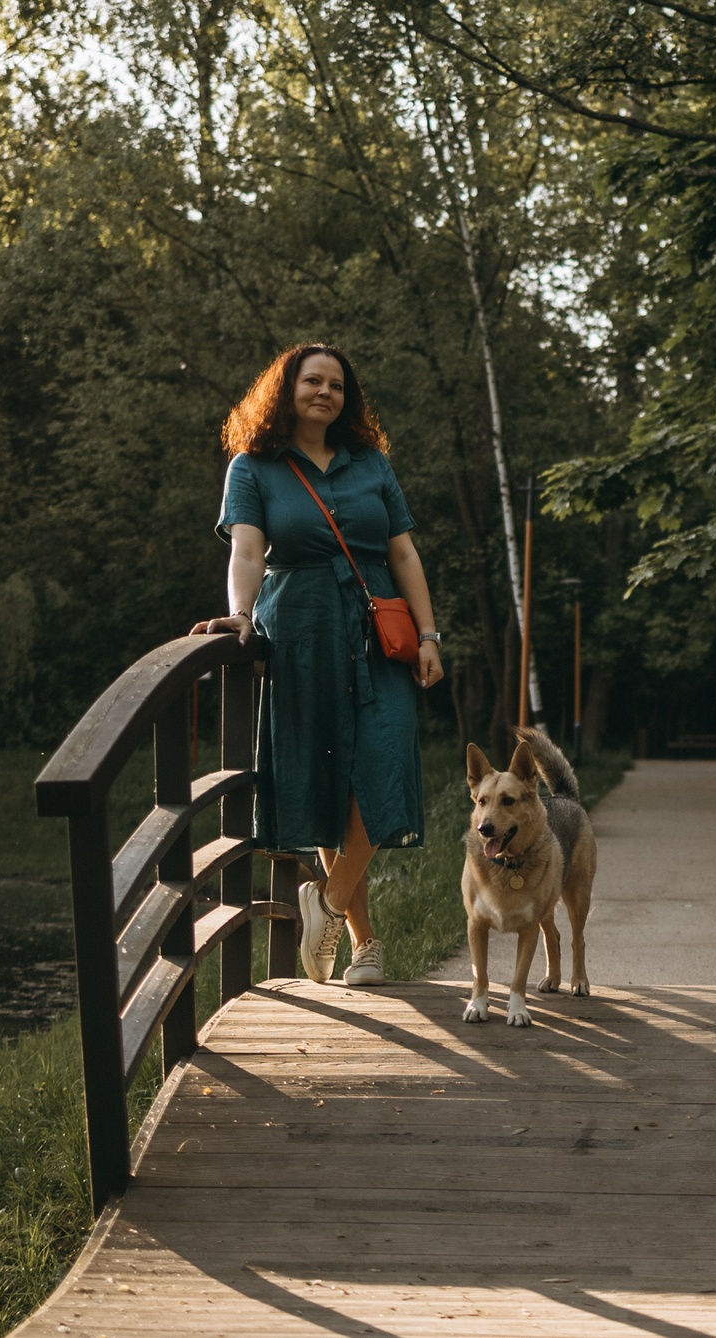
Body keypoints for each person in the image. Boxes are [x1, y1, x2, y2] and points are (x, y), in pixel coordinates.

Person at [192, 343, 445, 987]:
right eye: (312, 381)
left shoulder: (372, 466)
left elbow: (405, 554)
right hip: (300, 631)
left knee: (381, 769)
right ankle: (365, 945)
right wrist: (241, 616)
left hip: (374, 631)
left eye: (336, 384)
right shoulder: (254, 467)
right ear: (287, 389)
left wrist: (430, 635)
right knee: (327, 778)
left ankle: (326, 902)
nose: (325, 392)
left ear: (347, 398)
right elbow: (248, 552)